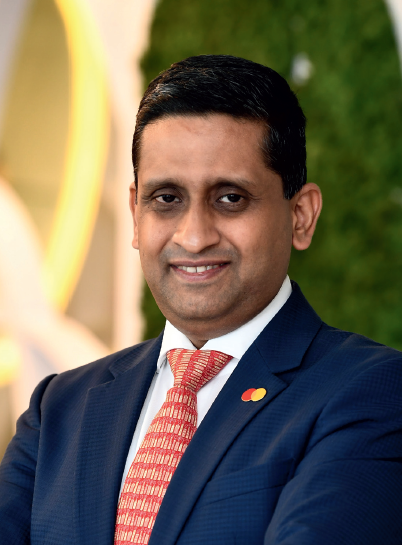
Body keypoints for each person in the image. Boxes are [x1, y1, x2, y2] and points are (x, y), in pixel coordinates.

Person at [1, 55, 401, 545]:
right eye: (166, 199)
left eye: (230, 198)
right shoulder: (58, 409)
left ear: (300, 216)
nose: (193, 237)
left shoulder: (371, 393)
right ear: (135, 214)